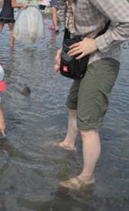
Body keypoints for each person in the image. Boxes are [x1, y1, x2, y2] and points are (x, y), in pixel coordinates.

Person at [53, 0, 129, 190]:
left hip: (103, 58)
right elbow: (75, 31)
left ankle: (87, 177)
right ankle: (69, 143)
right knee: (72, 105)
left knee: (87, 124)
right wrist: (64, 51)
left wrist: (96, 43)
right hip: (82, 56)